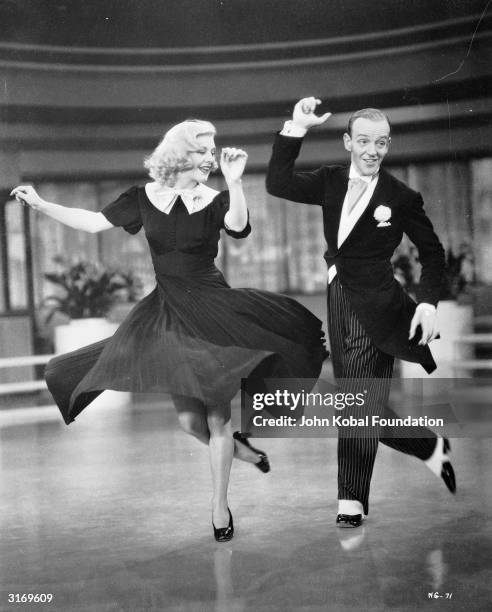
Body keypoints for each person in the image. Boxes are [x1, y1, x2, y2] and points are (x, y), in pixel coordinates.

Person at [11, 119, 327, 542]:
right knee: (188, 422)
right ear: (179, 154)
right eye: (203, 150)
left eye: (212, 150)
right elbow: (91, 223)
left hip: (214, 311)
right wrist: (41, 204)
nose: (212, 157)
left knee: (216, 417)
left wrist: (235, 182)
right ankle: (244, 451)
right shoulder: (142, 197)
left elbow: (237, 226)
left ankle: (219, 508)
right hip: (167, 313)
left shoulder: (214, 197)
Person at [266, 97, 456, 528]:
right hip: (340, 298)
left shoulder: (401, 196)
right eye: (365, 140)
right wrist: (296, 128)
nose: (373, 150)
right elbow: (277, 183)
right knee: (358, 403)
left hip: (383, 306)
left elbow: (434, 254)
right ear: (349, 141)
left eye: (382, 143)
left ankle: (351, 499)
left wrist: (426, 303)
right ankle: (426, 446)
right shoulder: (330, 181)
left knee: (356, 402)